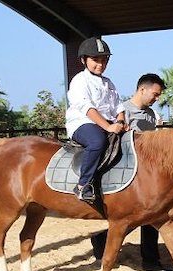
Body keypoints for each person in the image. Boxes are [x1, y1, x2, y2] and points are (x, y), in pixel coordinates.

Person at [90, 73, 173, 271]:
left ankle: (147, 258)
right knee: (140, 216)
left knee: (149, 213)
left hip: (147, 173)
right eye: (155, 94)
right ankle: (147, 259)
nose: (157, 98)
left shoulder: (151, 115)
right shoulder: (122, 111)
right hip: (126, 171)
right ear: (142, 89)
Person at [65, 36, 126, 203]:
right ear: (84, 60)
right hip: (83, 123)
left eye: (104, 60)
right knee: (97, 141)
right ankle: (83, 185)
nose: (100, 64)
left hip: (107, 124)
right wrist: (108, 126)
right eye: (95, 60)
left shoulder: (109, 83)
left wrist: (120, 122)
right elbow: (87, 108)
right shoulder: (79, 80)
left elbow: (119, 107)